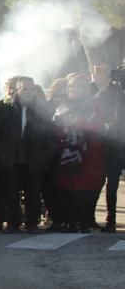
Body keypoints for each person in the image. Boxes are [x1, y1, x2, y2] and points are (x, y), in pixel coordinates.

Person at [0, 76, 53, 233]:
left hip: (34, 159)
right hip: (12, 159)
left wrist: (45, 155)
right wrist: (1, 156)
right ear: (17, 90)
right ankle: (13, 222)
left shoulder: (42, 110)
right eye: (25, 89)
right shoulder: (7, 108)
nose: (29, 92)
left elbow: (50, 135)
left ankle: (32, 222)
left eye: (31, 89)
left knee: (33, 193)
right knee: (11, 192)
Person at [53, 74, 105, 233]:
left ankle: (85, 221)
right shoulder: (62, 106)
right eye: (70, 87)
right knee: (68, 188)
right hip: (67, 153)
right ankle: (70, 221)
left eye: (78, 87)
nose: (73, 90)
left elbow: (98, 127)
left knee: (86, 189)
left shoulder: (94, 106)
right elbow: (55, 126)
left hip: (89, 154)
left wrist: (78, 123)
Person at [91, 64, 124, 232]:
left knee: (112, 183)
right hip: (113, 142)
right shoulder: (109, 92)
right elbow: (99, 109)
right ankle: (110, 218)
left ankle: (110, 219)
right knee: (111, 183)